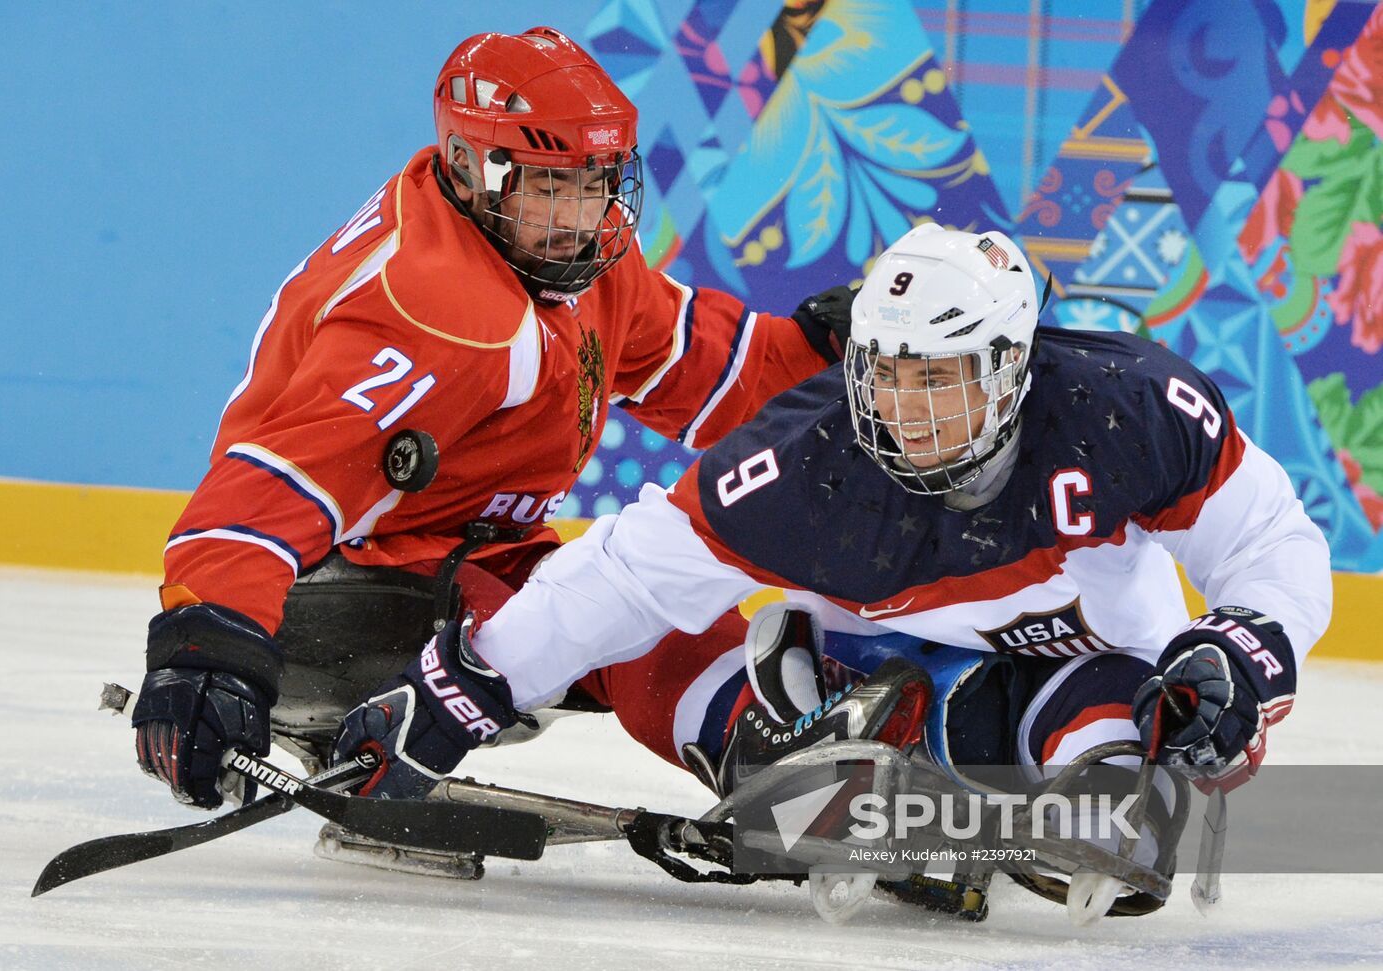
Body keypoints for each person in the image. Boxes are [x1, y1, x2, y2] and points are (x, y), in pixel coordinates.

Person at [128, 26, 854, 813]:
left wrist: (831, 360)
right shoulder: (434, 308)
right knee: (601, 618)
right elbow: (269, 487)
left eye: (596, 181)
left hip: (464, 556)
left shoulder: (563, 256)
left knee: (629, 597)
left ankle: (803, 764)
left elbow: (700, 366)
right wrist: (205, 650)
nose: (581, 214)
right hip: (333, 594)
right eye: (550, 184)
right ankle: (794, 787)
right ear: (473, 170)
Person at [460, 224, 1330, 867]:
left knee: (1127, 829)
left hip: (1088, 669)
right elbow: (623, 574)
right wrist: (458, 691)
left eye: (940, 376)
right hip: (866, 665)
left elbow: (1270, 541)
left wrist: (1247, 655)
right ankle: (786, 747)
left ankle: (908, 759)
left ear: (1013, 363)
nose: (909, 408)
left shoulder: (1128, 407)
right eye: (888, 372)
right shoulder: (807, 454)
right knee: (651, 640)